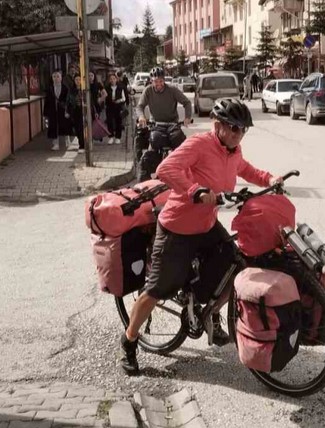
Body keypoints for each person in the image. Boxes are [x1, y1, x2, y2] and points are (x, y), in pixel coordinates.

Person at [120, 98, 283, 374]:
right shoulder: (200, 144)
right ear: (217, 125)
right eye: (232, 128)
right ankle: (128, 343)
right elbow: (165, 169)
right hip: (178, 228)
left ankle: (208, 313)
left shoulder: (234, 150)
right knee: (158, 289)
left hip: (206, 226)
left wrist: (269, 179)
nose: (237, 134)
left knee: (237, 263)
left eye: (242, 129)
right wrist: (194, 190)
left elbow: (246, 169)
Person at [43, 70, 72, 151]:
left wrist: (68, 111)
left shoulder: (65, 88)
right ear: (52, 78)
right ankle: (56, 144)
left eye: (58, 76)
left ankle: (67, 141)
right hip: (53, 111)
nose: (56, 78)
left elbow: (68, 100)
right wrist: (45, 114)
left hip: (63, 110)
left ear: (61, 78)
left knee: (65, 126)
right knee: (54, 127)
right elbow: (47, 102)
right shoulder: (50, 89)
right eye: (54, 77)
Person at [105, 73, 127, 145]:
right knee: (109, 122)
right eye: (111, 79)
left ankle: (118, 137)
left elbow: (124, 98)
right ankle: (111, 137)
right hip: (109, 106)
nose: (112, 80)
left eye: (113, 79)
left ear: (116, 79)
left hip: (118, 106)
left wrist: (119, 101)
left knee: (118, 122)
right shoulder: (107, 88)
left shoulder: (120, 87)